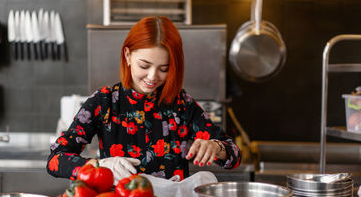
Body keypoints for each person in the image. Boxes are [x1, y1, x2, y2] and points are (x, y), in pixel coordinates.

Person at [47, 16, 241, 182]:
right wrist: (97, 165)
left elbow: (234, 156)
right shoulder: (104, 101)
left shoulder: (182, 104)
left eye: (164, 69)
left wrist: (216, 147)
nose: (152, 77)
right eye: (144, 65)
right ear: (128, 55)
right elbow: (56, 159)